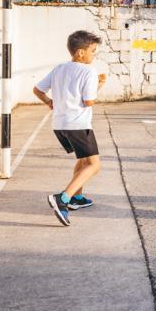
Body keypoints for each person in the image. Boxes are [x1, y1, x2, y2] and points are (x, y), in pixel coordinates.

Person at [33, 30, 107, 227]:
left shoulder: (59, 68)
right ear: (80, 52)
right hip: (78, 124)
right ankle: (63, 199)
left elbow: (37, 89)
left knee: (83, 161)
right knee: (94, 165)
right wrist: (99, 85)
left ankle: (76, 197)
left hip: (60, 125)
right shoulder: (88, 71)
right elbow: (89, 101)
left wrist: (50, 102)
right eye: (93, 50)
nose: (94, 54)